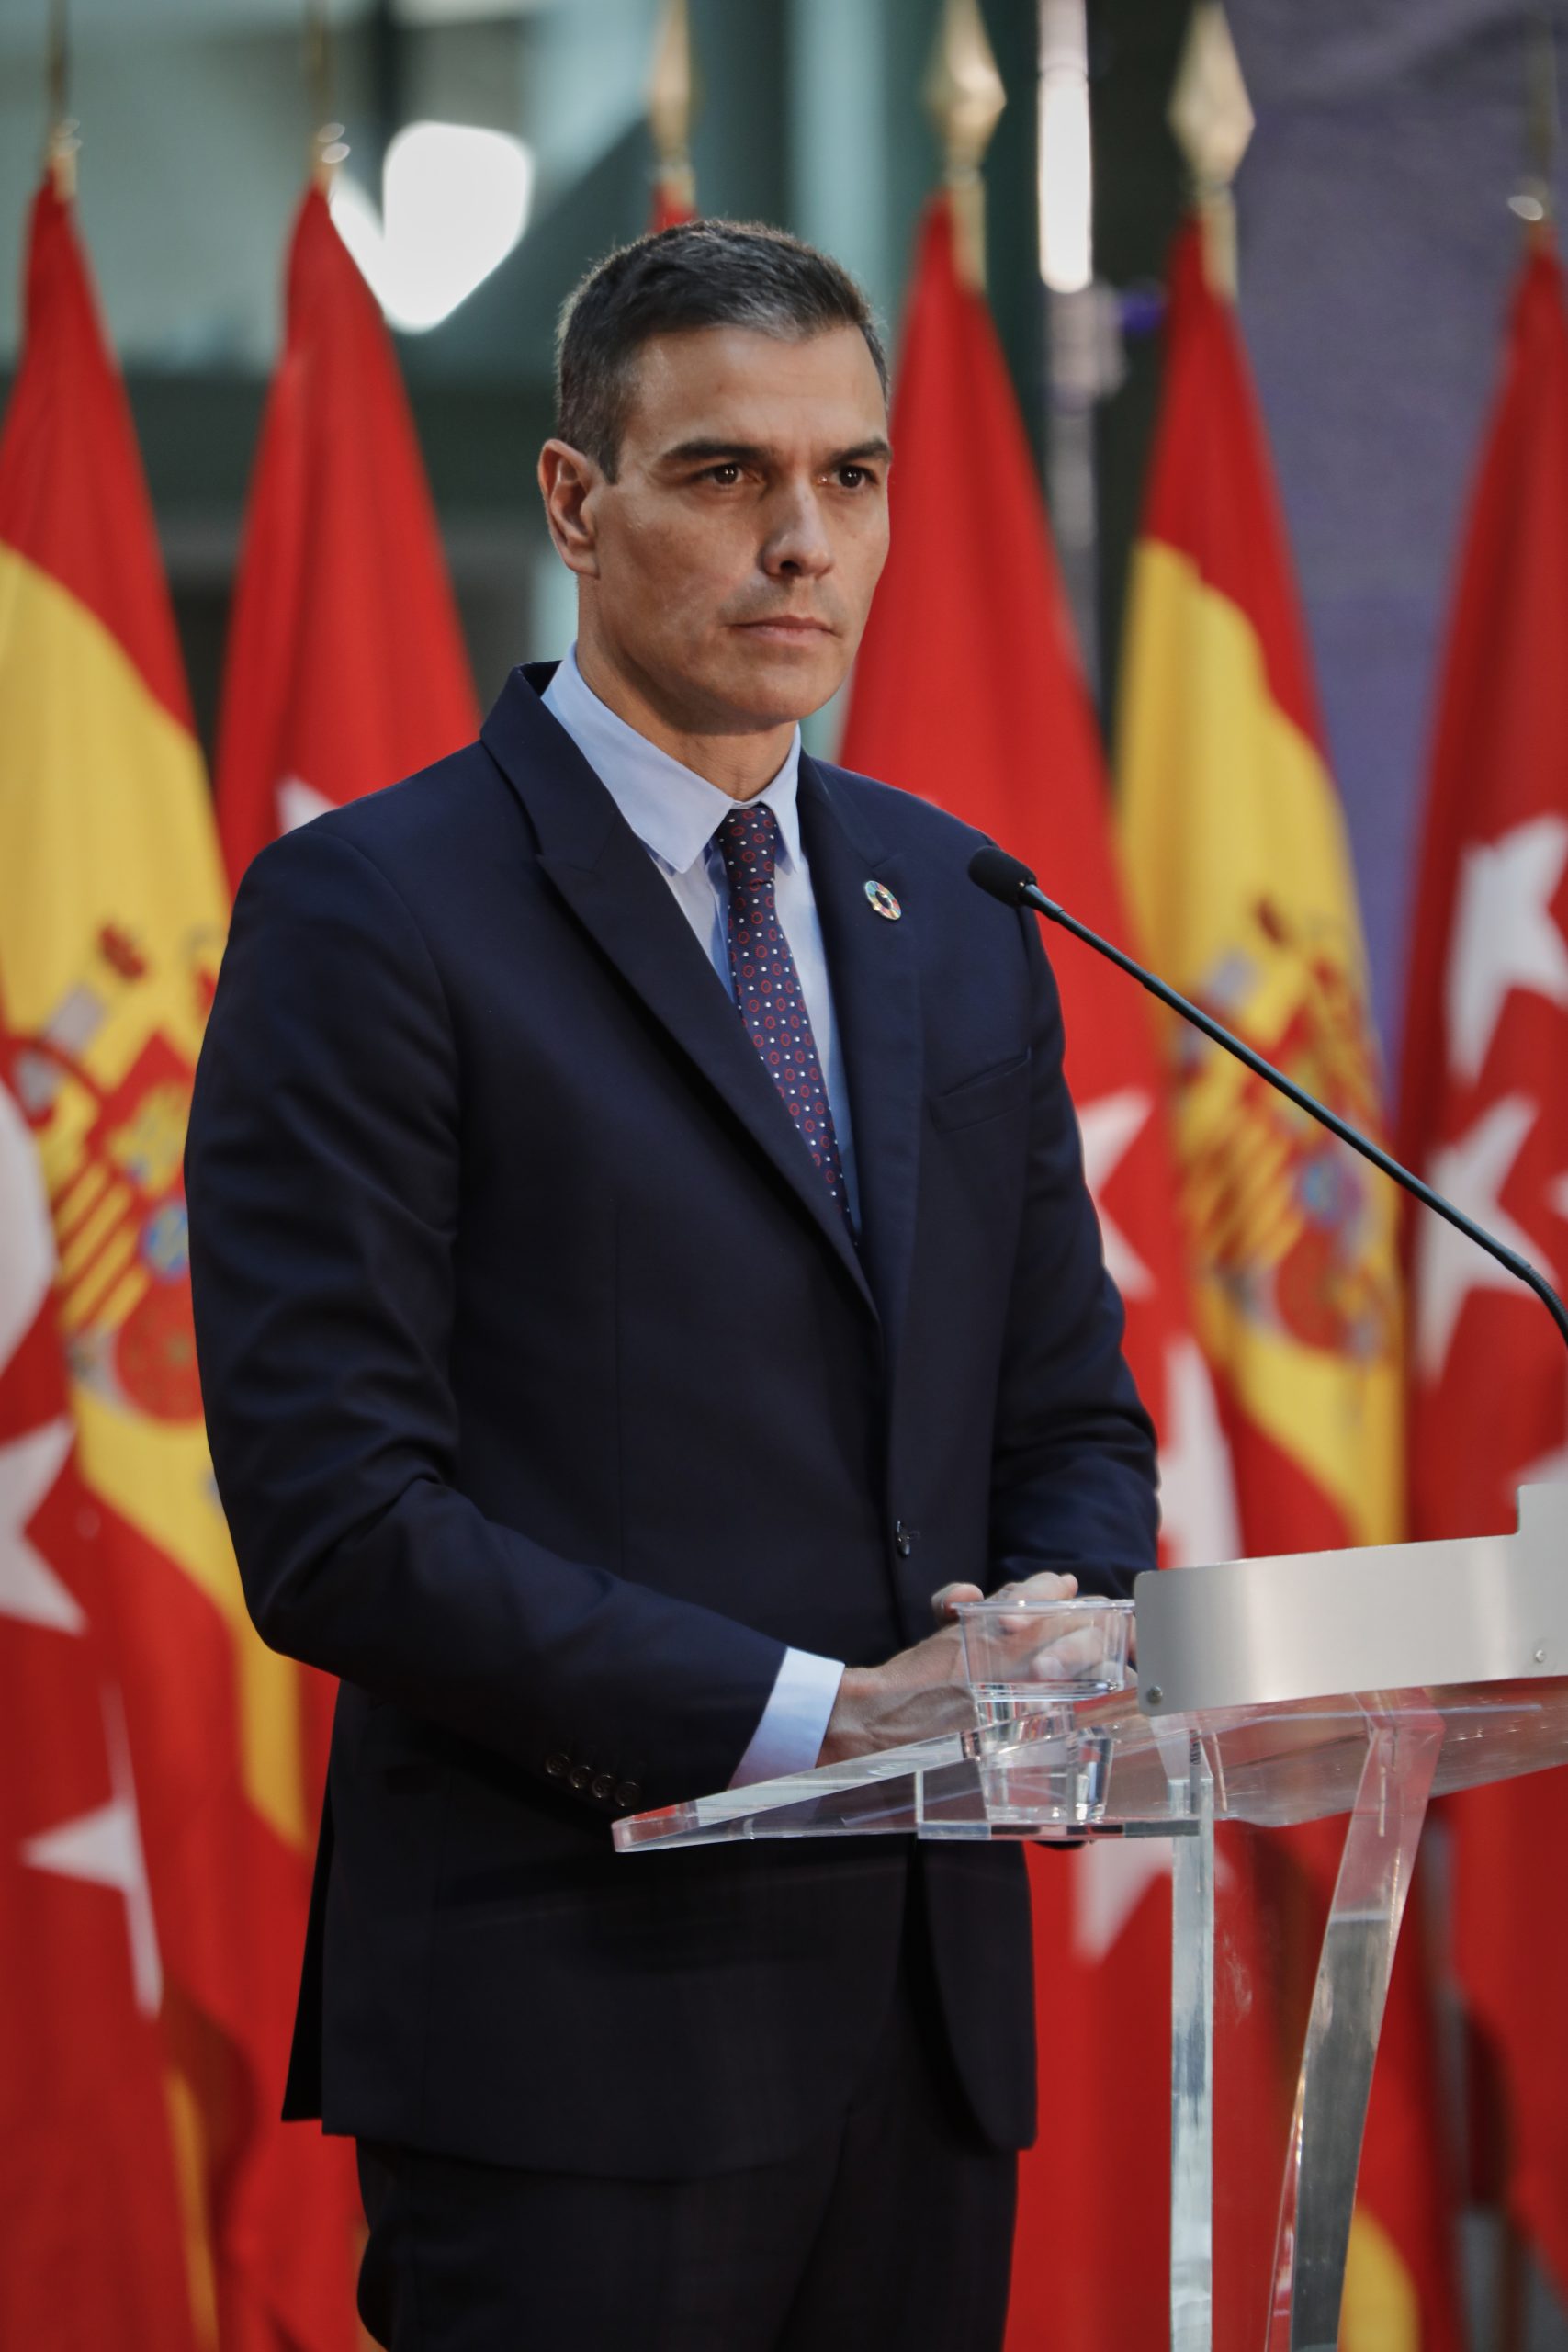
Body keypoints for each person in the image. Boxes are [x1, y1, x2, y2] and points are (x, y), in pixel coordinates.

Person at [185, 219, 1158, 2352]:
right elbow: (340, 1518)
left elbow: (1062, 1412)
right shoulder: (373, 909)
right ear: (572, 500)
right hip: (571, 2040)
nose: (801, 541)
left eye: (852, 477)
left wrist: (1060, 1610)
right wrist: (825, 1721)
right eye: (725, 473)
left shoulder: (956, 902)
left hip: (922, 2036)